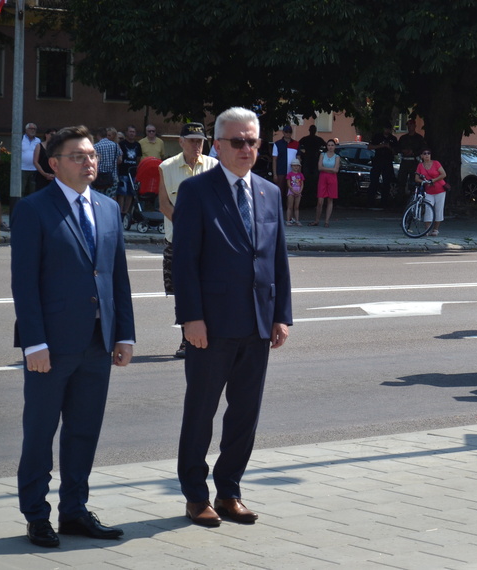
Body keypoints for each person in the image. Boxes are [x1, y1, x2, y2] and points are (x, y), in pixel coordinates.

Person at [11, 125, 135, 547]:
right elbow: (24, 283)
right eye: (78, 156)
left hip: (98, 342)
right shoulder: (33, 209)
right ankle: (36, 515)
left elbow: (117, 277)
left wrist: (124, 334)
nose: (89, 162)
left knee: (83, 431)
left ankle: (75, 511)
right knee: (40, 433)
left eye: (92, 155)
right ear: (54, 163)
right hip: (51, 345)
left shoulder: (108, 208)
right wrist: (34, 343)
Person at [172, 106, 292, 527]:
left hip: (258, 323)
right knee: (200, 412)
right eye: (238, 141)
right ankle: (195, 495)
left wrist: (281, 315)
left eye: (252, 141)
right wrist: (191, 318)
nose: (246, 149)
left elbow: (277, 259)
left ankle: (229, 491)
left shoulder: (269, 191)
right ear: (218, 145)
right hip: (212, 324)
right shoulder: (196, 191)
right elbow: (185, 260)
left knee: (244, 414)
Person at [158, 123, 218, 359]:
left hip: (209, 243)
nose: (196, 145)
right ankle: (186, 339)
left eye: (200, 141)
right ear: (181, 142)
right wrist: (188, 228)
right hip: (178, 242)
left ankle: (209, 335)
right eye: (192, 140)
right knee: (182, 292)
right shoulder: (167, 167)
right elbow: (164, 205)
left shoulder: (214, 166)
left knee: (209, 290)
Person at [415, 149, 447, 236]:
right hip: (429, 191)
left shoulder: (436, 163)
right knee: (428, 208)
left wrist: (433, 180)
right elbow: (416, 178)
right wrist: (424, 181)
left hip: (440, 189)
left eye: (428, 153)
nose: (427, 155)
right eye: (425, 153)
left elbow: (443, 174)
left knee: (438, 209)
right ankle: (427, 229)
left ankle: (435, 229)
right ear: (421, 156)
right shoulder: (420, 165)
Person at [367, 124, 398, 208]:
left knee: (386, 182)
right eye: (385, 128)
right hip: (378, 161)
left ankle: (384, 203)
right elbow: (369, 147)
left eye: (388, 129)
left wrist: (389, 147)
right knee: (374, 181)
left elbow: (396, 152)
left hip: (388, 162)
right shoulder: (377, 137)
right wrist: (381, 145)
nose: (387, 130)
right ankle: (370, 201)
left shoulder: (393, 139)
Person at [311, 139, 340, 227]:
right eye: (329, 145)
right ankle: (317, 220)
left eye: (332, 145)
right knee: (320, 200)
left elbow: (336, 170)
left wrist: (325, 169)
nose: (330, 147)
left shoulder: (337, 157)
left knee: (330, 199)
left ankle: (327, 221)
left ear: (335, 146)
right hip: (323, 177)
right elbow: (320, 168)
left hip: (332, 178)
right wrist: (331, 169)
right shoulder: (322, 155)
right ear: (326, 146)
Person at [397, 118, 427, 196]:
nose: (410, 127)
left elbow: (423, 149)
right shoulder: (403, 138)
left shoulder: (419, 138)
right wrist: (403, 151)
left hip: (414, 162)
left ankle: (412, 197)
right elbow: (398, 148)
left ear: (415, 126)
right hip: (404, 161)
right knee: (401, 181)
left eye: (411, 125)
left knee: (413, 182)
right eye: (408, 125)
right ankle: (400, 197)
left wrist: (413, 152)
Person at [117, 125, 142, 215]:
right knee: (122, 193)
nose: (132, 134)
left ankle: (126, 212)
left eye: (133, 132)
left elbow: (138, 158)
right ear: (127, 133)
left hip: (133, 173)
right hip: (123, 172)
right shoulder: (121, 144)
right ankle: (120, 212)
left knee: (131, 193)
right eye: (130, 131)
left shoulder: (137, 145)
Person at [297, 125, 326, 197]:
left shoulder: (306, 139)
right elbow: (297, 146)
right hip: (311, 160)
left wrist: (302, 154)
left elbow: (297, 145)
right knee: (309, 178)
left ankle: (309, 193)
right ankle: (310, 193)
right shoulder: (317, 139)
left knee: (312, 178)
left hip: (311, 160)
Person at [92, 127, 120, 193]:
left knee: (98, 197)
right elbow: (120, 160)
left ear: (98, 135)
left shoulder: (95, 146)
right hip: (112, 177)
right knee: (110, 197)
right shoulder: (116, 145)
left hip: (99, 178)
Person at [271, 125, 298, 194]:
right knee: (279, 192)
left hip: (293, 173)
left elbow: (299, 159)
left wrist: (298, 173)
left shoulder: (296, 144)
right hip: (280, 172)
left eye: (290, 132)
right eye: (286, 131)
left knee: (291, 193)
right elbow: (274, 160)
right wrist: (275, 174)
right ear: (283, 132)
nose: (288, 133)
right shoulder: (277, 144)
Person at [21, 123, 40, 196]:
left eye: (34, 129)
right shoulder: (21, 139)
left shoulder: (38, 140)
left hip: (34, 169)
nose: (33, 130)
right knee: (21, 190)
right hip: (22, 169)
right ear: (26, 130)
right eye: (31, 128)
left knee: (33, 190)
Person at [285, 159, 304, 226]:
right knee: (290, 206)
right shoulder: (289, 174)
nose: (296, 167)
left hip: (298, 191)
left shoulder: (300, 175)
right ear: (292, 166)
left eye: (297, 165)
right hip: (291, 191)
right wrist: (292, 190)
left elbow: (302, 184)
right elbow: (288, 183)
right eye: (294, 165)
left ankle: (297, 220)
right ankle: (288, 220)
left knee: (296, 207)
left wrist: (300, 191)